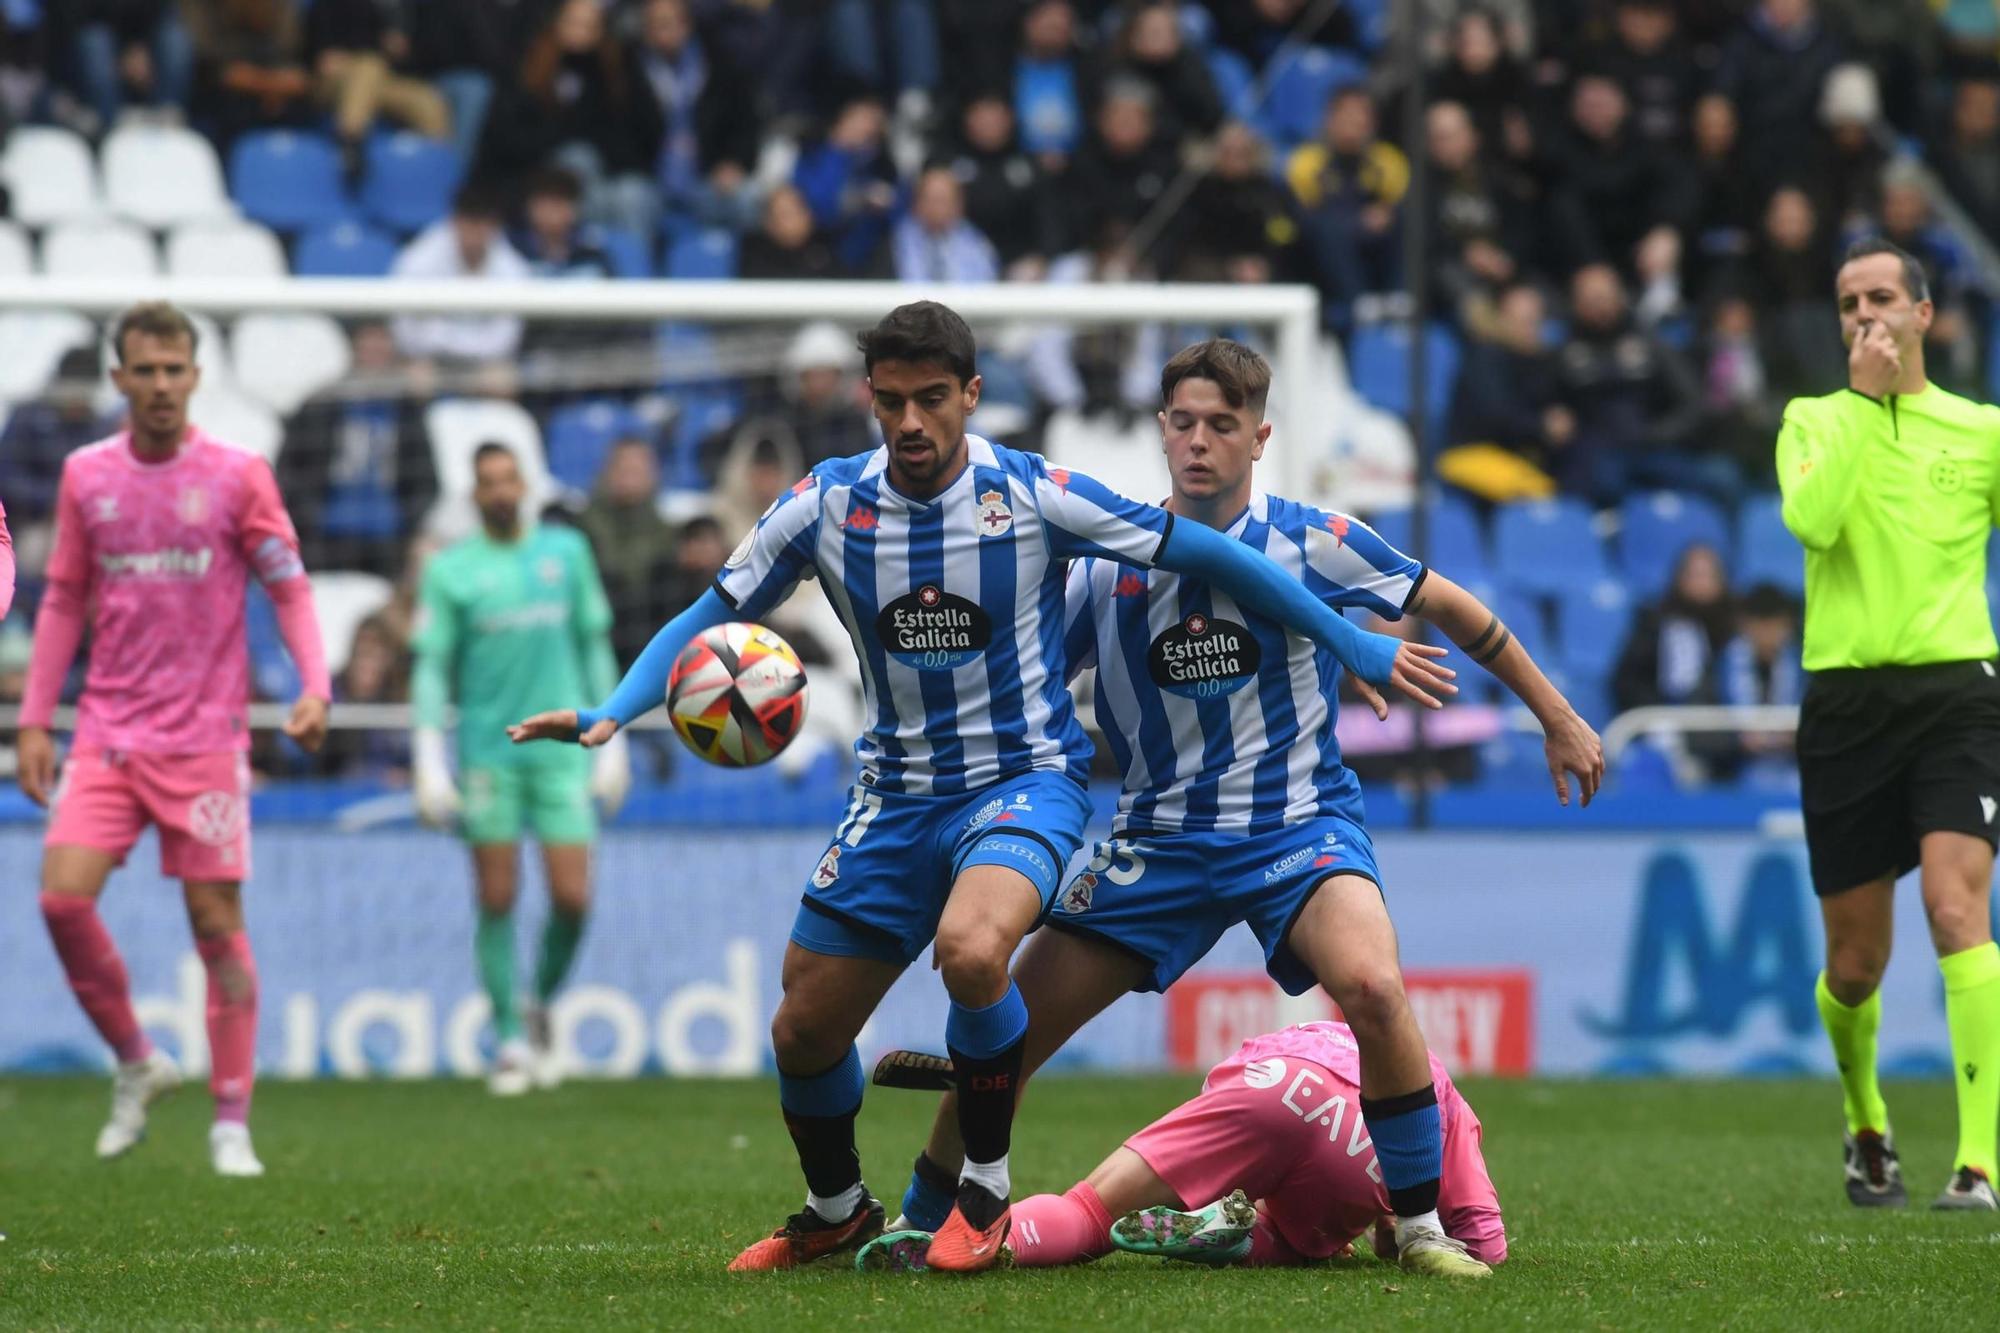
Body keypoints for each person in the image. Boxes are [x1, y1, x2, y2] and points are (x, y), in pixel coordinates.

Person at [507, 302, 1456, 1275]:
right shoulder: (824, 505)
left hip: (1022, 780)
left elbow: (1208, 551)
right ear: (869, 399)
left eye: (930, 399)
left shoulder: (1033, 492)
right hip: (893, 798)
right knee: (802, 1026)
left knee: (973, 949)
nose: (910, 421)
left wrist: (1346, 638)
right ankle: (835, 1209)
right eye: (890, 402)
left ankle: (982, 1193)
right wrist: (613, 710)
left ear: (969, 395)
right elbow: (712, 608)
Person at [865, 337, 1596, 1279]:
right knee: (1016, 1025)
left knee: (1373, 987)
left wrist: (1558, 715)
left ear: (1260, 438)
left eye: (1220, 425)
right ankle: (927, 1214)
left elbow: (1450, 604)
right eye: (1183, 423)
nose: (1199, 442)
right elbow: (1011, 686)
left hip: (1296, 828)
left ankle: (1418, 1229)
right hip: (1157, 844)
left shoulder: (1313, 537)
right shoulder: (1104, 568)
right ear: (1160, 431)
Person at [15, 302, 331, 1177]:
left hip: (204, 739)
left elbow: (292, 589)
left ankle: (231, 1120)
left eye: (174, 369)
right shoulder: (87, 476)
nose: (159, 385)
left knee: (214, 921)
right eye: (144, 370)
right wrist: (36, 718)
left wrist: (315, 684)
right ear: (118, 379)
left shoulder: (237, 476)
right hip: (109, 732)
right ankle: (137, 1058)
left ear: (195, 375)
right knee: (60, 899)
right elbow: (63, 600)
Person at [1782, 237, 2000, 1212]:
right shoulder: (1811, 419)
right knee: (1854, 964)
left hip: (1957, 693)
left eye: (1879, 297)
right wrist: (1866, 406)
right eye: (1846, 302)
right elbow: (1813, 525)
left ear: (1922, 314)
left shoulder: (1980, 429)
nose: (1862, 314)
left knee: (1957, 912)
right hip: (1845, 704)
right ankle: (1864, 1119)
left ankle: (1978, 1161)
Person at [859, 1021, 1504, 1273]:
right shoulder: (1438, 1094)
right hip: (1355, 1157)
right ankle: (1229, 1235)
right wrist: (1392, 1226)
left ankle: (968, 1241)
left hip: (1270, 1078)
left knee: (1089, 1212)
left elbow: (1229, 1075)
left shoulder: (1326, 1027)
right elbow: (1485, 1244)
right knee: (1297, 1241)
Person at [410, 443, 630, 1096]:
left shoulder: (566, 552)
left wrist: (611, 733)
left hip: (562, 752)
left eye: (510, 479)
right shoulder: (451, 570)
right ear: (475, 495)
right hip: (488, 755)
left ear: (527, 484)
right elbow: (430, 666)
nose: (502, 491)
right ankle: (508, 1037)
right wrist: (427, 754)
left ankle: (537, 1004)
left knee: (572, 896)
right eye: (488, 483)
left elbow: (593, 645)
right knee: (497, 895)